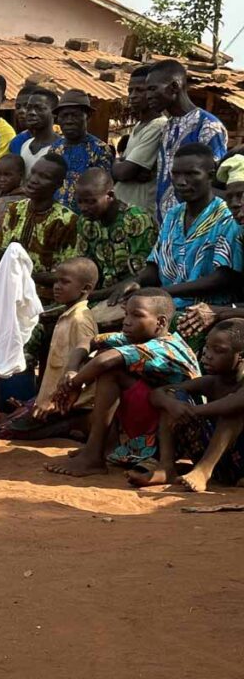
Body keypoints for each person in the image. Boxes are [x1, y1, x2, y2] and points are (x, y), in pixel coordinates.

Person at [45, 289, 200, 477]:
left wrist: (74, 384)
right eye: (126, 313)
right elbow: (88, 341)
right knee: (108, 362)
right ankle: (103, 448)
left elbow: (105, 361)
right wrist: (71, 370)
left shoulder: (164, 347)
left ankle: (93, 455)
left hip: (177, 434)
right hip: (154, 423)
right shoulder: (136, 338)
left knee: (111, 369)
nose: (127, 321)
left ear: (160, 322)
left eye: (137, 315)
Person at [109, 144, 242, 319]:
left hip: (203, 313)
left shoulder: (228, 217)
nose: (181, 182)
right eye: (175, 174)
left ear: (210, 176)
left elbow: (223, 278)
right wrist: (137, 281)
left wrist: (159, 293)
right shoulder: (173, 214)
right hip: (163, 306)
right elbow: (154, 265)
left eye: (191, 174)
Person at [134, 319, 244, 491]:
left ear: (241, 356)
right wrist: (172, 404)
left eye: (218, 350)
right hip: (222, 464)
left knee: (232, 411)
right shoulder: (212, 382)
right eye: (207, 347)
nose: (207, 354)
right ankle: (166, 466)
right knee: (172, 397)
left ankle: (203, 471)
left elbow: (234, 402)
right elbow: (157, 394)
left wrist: (192, 410)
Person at [0, 257, 99, 440]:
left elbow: (84, 370)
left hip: (67, 406)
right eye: (56, 281)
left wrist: (52, 403)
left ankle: (75, 424)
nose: (57, 286)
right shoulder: (67, 316)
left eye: (65, 282)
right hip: (52, 400)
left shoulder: (80, 320)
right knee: (9, 419)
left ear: (86, 288)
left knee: (5, 430)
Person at [0, 153, 78, 302]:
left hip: (42, 297)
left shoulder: (66, 221)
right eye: (33, 172)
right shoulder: (14, 210)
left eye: (44, 177)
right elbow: (1, 252)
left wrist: (24, 275)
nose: (33, 180)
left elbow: (65, 275)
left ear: (58, 185)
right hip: (8, 288)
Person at [149, 59, 228, 221]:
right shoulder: (167, 127)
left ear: (174, 87)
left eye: (152, 89)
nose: (148, 96)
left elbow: (216, 183)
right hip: (165, 227)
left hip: (196, 228)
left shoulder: (208, 126)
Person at [179, 157, 244, 336]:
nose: (234, 204)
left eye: (241, 195)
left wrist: (218, 311)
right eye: (229, 197)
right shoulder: (239, 233)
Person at [73, 168, 157, 301]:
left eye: (91, 201)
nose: (83, 208)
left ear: (110, 196)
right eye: (80, 201)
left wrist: (90, 296)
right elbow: (84, 265)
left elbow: (141, 276)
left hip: (131, 296)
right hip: (96, 295)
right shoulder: (85, 222)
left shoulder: (137, 220)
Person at [112, 65, 167, 214]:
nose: (133, 96)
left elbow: (123, 173)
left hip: (139, 214)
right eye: (130, 91)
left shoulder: (158, 126)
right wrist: (121, 163)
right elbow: (124, 168)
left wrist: (118, 163)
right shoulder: (138, 126)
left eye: (139, 90)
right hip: (123, 209)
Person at [46, 89, 112, 209]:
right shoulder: (54, 149)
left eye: (75, 115)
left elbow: (102, 191)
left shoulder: (99, 149)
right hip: (56, 218)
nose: (69, 121)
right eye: (64, 116)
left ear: (88, 117)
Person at [0, 153, 26, 248]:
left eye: (7, 175)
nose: (2, 179)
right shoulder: (1, 195)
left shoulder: (21, 201)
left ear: (21, 175)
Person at [14, 88, 59, 173]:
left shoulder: (61, 148)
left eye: (39, 108)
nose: (32, 112)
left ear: (54, 113)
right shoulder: (25, 146)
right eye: (29, 108)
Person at [6, 83, 41, 155]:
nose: (21, 111)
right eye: (18, 107)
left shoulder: (59, 142)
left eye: (27, 106)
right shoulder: (16, 142)